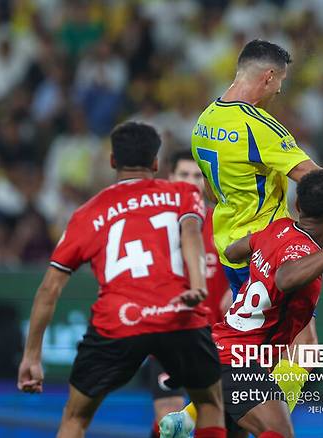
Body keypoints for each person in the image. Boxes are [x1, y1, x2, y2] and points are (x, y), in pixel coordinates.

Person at [191, 38, 323, 415]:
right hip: (271, 249)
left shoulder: (205, 121)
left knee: (257, 352)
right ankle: (244, 419)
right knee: (302, 351)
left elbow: (210, 189)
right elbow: (319, 183)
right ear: (268, 77)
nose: (280, 90)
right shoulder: (261, 128)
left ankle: (212, 418)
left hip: (232, 246)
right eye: (280, 81)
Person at [17, 122, 226, 438]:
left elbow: (50, 288)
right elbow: (191, 232)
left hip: (117, 322)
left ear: (113, 161)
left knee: (75, 417)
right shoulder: (183, 193)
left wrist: (32, 356)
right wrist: (197, 285)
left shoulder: (87, 213)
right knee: (210, 404)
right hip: (180, 317)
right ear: (156, 164)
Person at [217, 170, 323, 437]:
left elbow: (233, 251)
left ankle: (187, 418)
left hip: (224, 348)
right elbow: (286, 278)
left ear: (297, 205)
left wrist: (262, 253)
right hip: (240, 360)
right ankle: (185, 420)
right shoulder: (304, 252)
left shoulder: (277, 229)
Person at [149, 151, 232, 438]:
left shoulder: (225, 227)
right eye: (183, 175)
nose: (190, 182)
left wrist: (239, 291)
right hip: (170, 339)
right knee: (169, 425)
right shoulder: (154, 229)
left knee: (228, 423)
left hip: (220, 343)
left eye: (197, 176)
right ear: (170, 178)